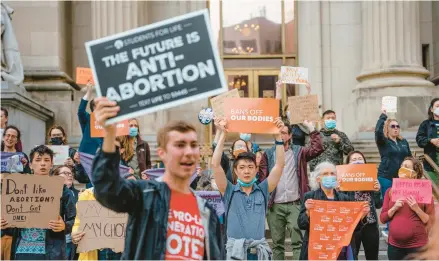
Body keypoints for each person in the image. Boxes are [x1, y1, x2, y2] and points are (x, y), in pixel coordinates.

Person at [90, 97, 223, 260]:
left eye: (193, 145)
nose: (188, 152)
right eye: (180, 145)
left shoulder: (208, 213)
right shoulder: (145, 194)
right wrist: (110, 134)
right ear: (162, 153)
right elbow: (107, 189)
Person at [212, 116, 285, 260]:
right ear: (236, 171)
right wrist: (223, 135)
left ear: (256, 170)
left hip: (258, 254)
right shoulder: (229, 190)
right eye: (242, 167)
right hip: (235, 254)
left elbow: (280, 165)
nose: (246, 171)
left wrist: (278, 137)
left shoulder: (264, 190)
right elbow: (215, 165)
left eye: (250, 167)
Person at [260, 120, 323, 260]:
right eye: (277, 133)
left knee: (297, 243)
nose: (280, 135)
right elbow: (262, 180)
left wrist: (312, 129)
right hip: (275, 206)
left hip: (295, 204)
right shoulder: (268, 154)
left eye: (283, 133)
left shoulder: (299, 151)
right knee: (277, 244)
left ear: (290, 136)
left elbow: (317, 148)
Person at [2, 145, 76, 260]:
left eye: (46, 160)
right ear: (30, 165)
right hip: (21, 251)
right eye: (38, 160)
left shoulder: (62, 190)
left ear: (51, 164)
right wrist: (4, 224)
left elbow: (75, 219)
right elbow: (12, 223)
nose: (42, 163)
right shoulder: (18, 189)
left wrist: (64, 226)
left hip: (51, 252)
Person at [298, 161, 369, 260]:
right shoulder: (310, 197)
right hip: (318, 249)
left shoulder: (344, 198)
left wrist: (362, 215)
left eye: (332, 173)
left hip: (340, 250)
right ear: (318, 179)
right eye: (325, 174)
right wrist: (307, 211)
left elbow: (352, 227)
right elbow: (301, 224)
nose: (329, 176)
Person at [71, 172, 136, 260]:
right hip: (96, 251)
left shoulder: (126, 198)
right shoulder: (86, 195)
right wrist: (75, 234)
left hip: (120, 250)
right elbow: (78, 222)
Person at [380, 157, 435, 260]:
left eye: (406, 167)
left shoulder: (425, 192)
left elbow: (431, 221)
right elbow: (383, 219)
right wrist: (394, 208)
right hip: (394, 246)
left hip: (417, 246)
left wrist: (417, 209)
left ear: (415, 173)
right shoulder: (390, 191)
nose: (402, 169)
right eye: (401, 166)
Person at [375, 108, 412, 238]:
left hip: (401, 177)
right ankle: (389, 228)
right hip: (386, 176)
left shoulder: (403, 142)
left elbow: (409, 158)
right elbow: (377, 132)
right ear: (388, 128)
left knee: (400, 202)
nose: (396, 128)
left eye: (398, 126)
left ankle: (396, 227)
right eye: (393, 126)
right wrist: (383, 116)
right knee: (389, 202)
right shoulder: (383, 142)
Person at [342, 151, 383, 260]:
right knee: (352, 257)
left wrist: (377, 191)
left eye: (360, 159)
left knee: (372, 257)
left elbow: (379, 204)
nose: (357, 162)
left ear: (365, 162)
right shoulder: (342, 181)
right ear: (348, 164)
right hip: (352, 225)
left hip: (370, 224)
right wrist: (339, 190)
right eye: (353, 160)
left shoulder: (372, 179)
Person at [53, 165, 78, 260]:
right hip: (60, 239)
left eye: (70, 174)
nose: (70, 176)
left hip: (74, 239)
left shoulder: (79, 193)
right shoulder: (51, 192)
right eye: (65, 173)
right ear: (56, 176)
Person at [416, 98, 439, 183]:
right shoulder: (425, 124)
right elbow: (419, 140)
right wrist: (430, 141)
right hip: (431, 163)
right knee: (433, 191)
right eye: (437, 106)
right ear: (432, 109)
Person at [77, 82, 102, 155]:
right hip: (86, 157)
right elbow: (81, 111)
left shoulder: (108, 122)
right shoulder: (88, 118)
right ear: (94, 107)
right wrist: (88, 92)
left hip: (103, 158)